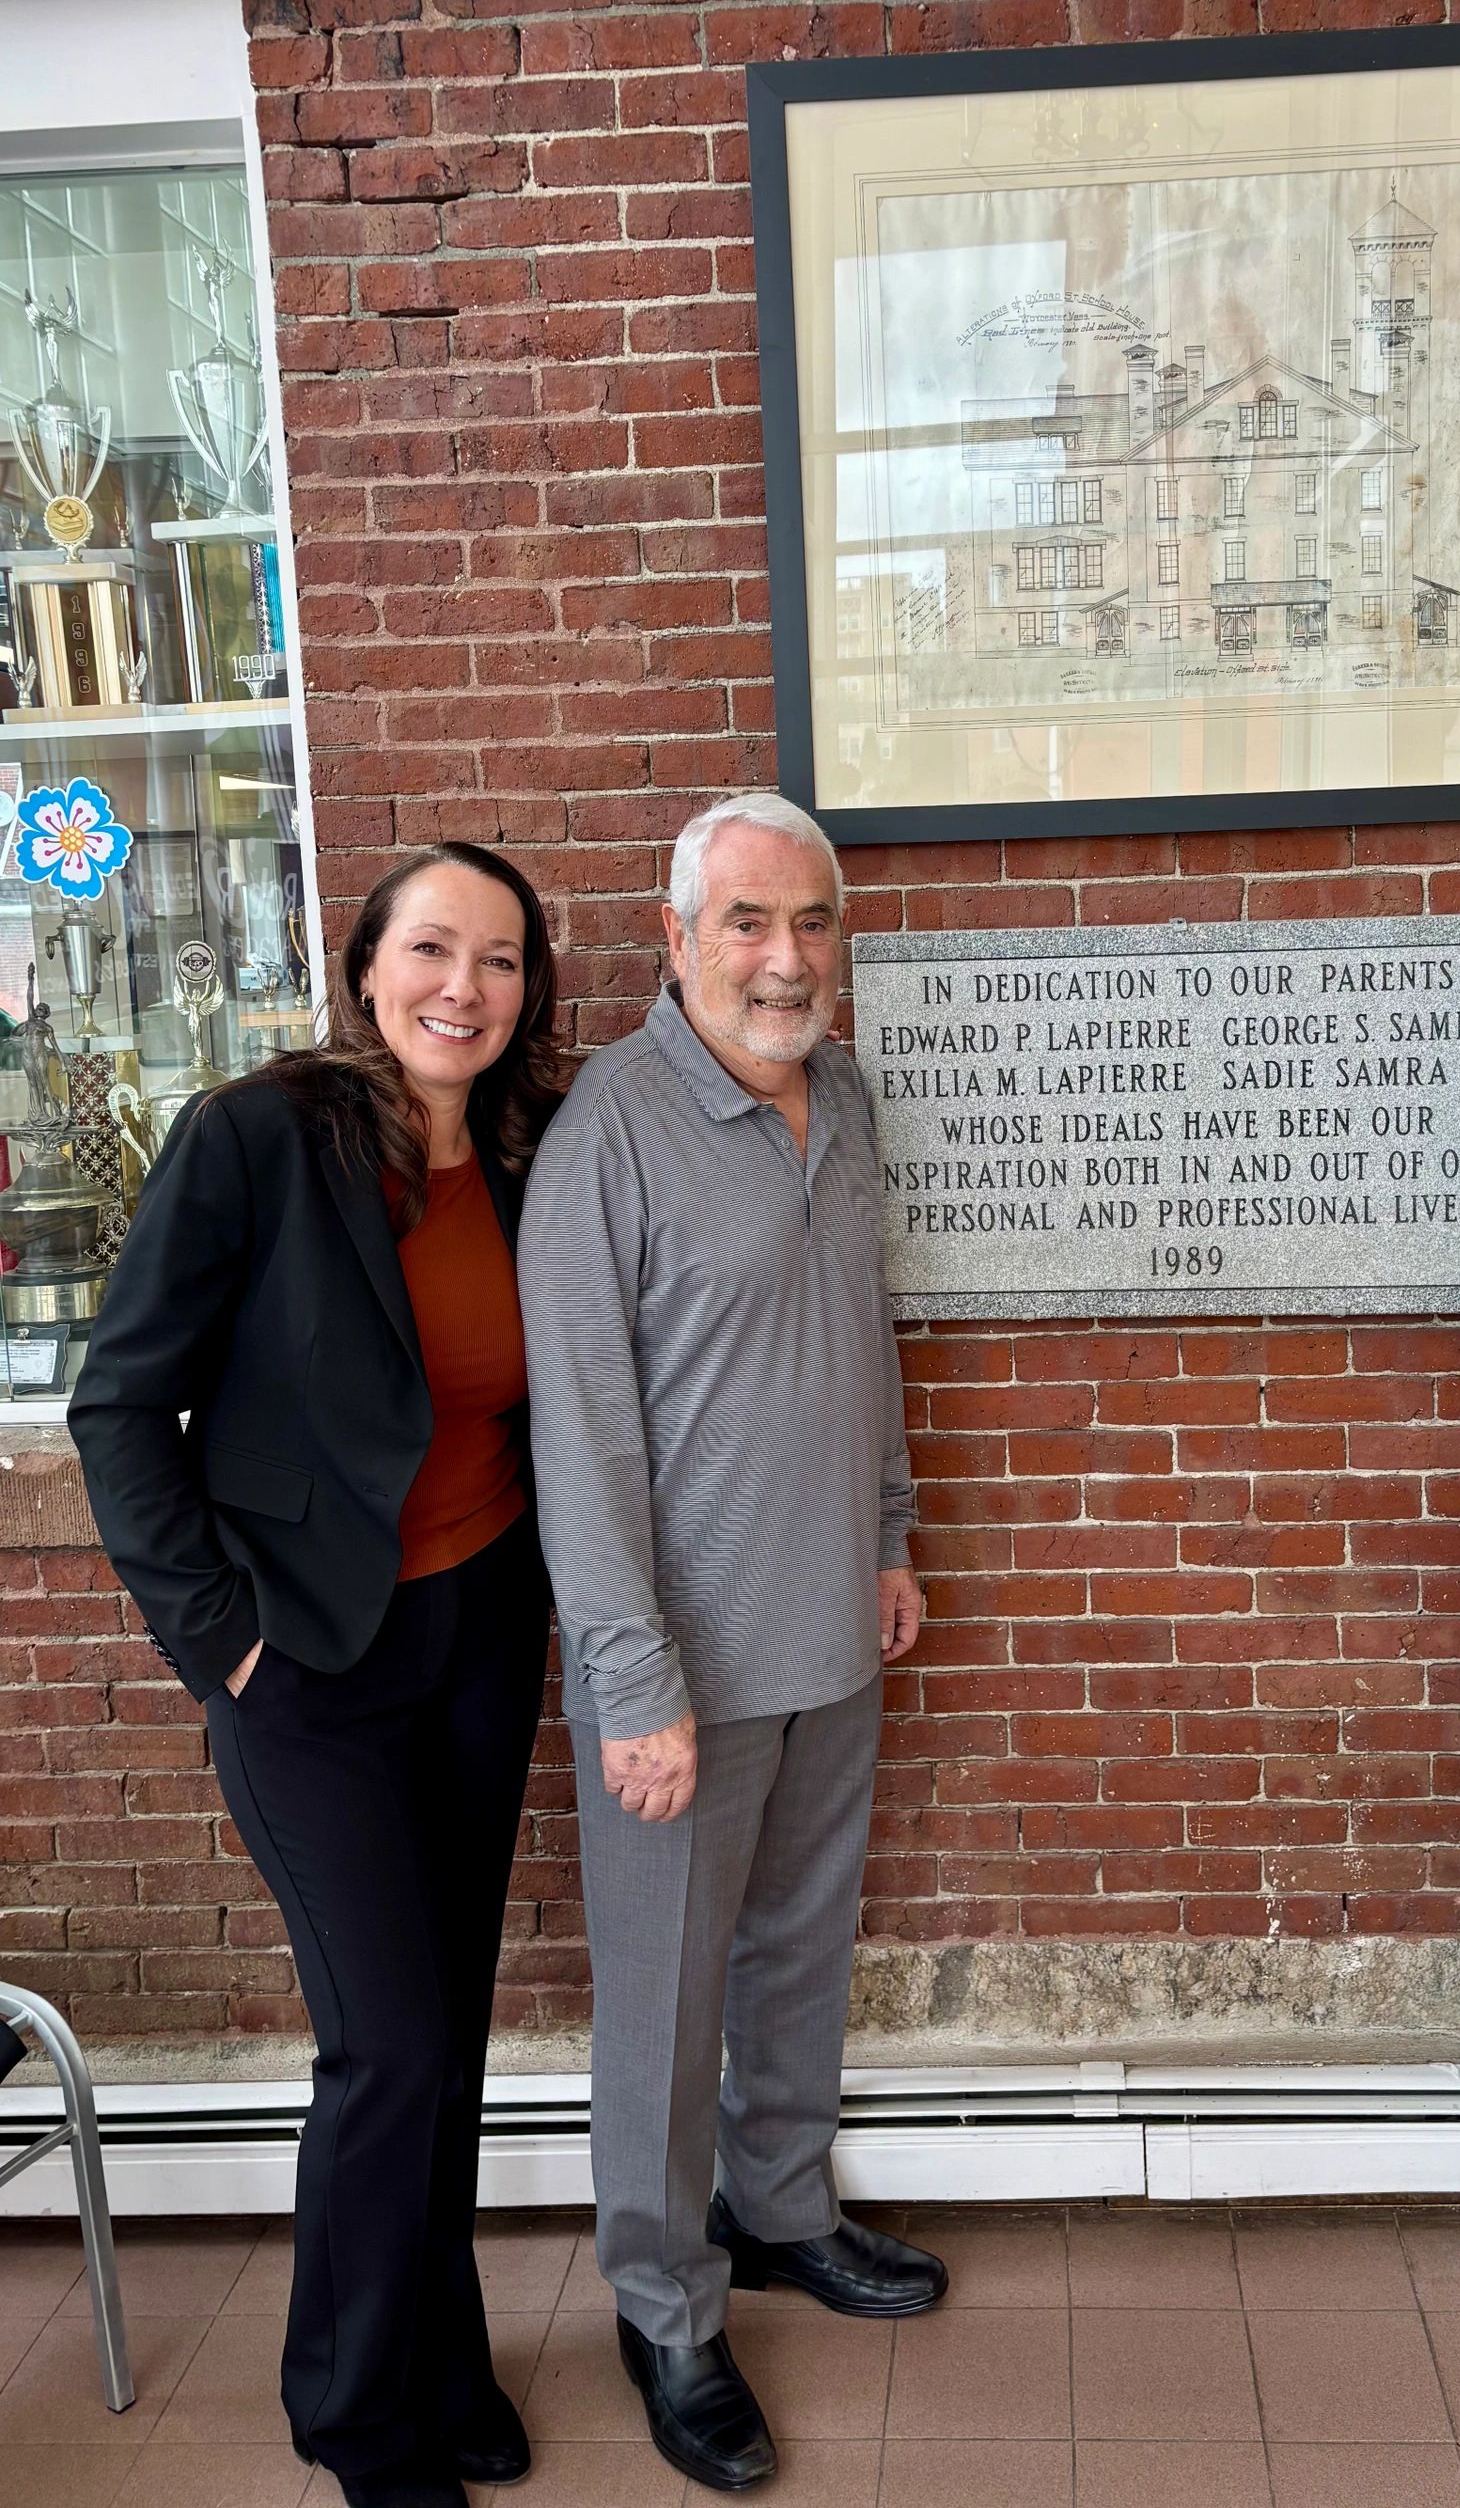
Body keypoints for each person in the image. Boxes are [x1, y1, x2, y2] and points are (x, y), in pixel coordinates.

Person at [70, 844, 563, 2508]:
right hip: (307, 1664)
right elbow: (120, 1408)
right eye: (433, 948)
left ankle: (441, 2352)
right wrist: (220, 1641)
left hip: (480, 1635)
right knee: (388, 2044)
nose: (464, 988)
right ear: (365, 968)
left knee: (452, 2038)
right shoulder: (256, 1138)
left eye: (500, 961)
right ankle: (357, 2418)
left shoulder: (524, 1147)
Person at [518, 791, 945, 2493]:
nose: (787, 957)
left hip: (833, 1626)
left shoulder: (840, 1097)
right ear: (677, 938)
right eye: (750, 923)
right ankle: (663, 2303)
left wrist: (893, 1532)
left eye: (813, 922)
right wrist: (631, 1683)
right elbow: (585, 1443)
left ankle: (776, 2210)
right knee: (665, 2001)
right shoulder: (606, 1137)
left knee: (792, 1956)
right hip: (676, 1679)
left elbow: (867, 1337)